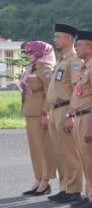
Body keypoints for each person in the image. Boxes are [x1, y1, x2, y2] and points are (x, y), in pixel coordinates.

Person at [66, 30, 92, 208]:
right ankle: (90, 193)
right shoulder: (85, 67)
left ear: (90, 47)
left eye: (79, 44)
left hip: (90, 117)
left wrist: (91, 125)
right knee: (85, 159)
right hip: (80, 117)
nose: (76, 48)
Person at [45, 24, 84, 204]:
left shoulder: (74, 60)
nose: (55, 39)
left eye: (58, 36)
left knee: (69, 152)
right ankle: (64, 188)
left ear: (69, 39)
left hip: (66, 108)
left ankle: (74, 189)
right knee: (59, 152)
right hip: (55, 110)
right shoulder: (61, 60)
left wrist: (71, 114)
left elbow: (77, 88)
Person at [19, 41, 58, 196]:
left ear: (40, 53)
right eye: (27, 53)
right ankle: (38, 178)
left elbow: (50, 92)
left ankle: (45, 181)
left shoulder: (45, 69)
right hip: (30, 112)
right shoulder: (32, 68)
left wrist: (45, 113)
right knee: (35, 149)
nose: (28, 55)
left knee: (44, 148)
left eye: (31, 52)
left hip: (40, 113)